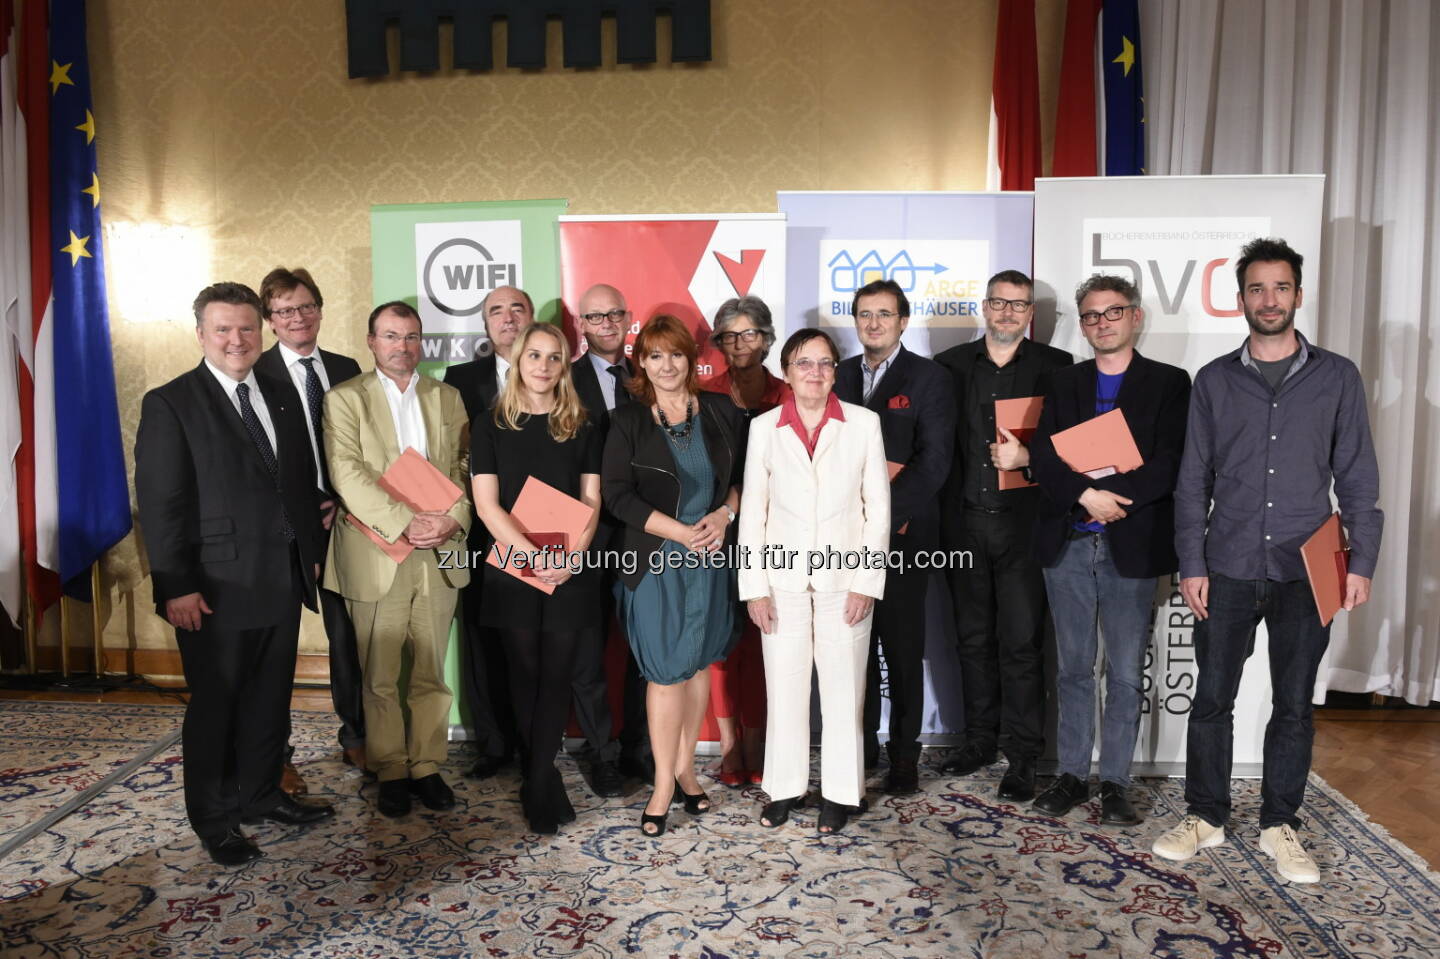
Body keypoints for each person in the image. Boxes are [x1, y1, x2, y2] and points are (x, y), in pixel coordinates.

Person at [1152, 237, 1383, 884]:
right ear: (1241, 300)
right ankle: (1205, 813)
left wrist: (1359, 561)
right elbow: (1193, 479)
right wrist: (1191, 563)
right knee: (1212, 698)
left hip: (1308, 569)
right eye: (1257, 288)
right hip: (1224, 564)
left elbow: (1359, 477)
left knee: (1294, 703)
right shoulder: (1215, 381)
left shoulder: (1337, 377)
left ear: (1298, 295)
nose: (1269, 298)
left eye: (1281, 287)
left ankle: (1282, 822)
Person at [134, 282, 334, 867]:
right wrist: (175, 585)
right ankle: (216, 820)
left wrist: (312, 546)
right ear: (201, 334)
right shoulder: (170, 403)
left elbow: (295, 481)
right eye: (222, 329)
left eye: (247, 327)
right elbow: (162, 504)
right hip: (213, 589)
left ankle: (262, 795)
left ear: (261, 331)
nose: (236, 339)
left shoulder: (278, 392)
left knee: (271, 701)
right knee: (217, 707)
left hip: (280, 578)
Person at [1027, 274, 1191, 825]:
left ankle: (1116, 783)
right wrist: (1084, 496)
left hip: (1132, 541)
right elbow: (1043, 457)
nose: (1102, 323)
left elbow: (1171, 461)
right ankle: (1073, 775)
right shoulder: (1063, 381)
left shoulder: (1170, 383)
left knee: (1123, 673)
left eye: (1112, 312)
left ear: (1135, 316)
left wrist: (1114, 502)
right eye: (1092, 315)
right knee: (1074, 669)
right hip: (1069, 542)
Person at [738, 328, 889, 834]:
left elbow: (877, 510)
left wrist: (868, 581)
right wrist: (753, 587)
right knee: (784, 689)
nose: (816, 373)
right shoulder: (764, 428)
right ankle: (784, 789)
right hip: (780, 583)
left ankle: (842, 794)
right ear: (786, 370)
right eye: (805, 363)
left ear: (835, 372)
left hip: (844, 582)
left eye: (825, 363)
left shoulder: (863, 424)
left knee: (846, 692)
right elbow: (753, 510)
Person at [324, 301, 471, 818]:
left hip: (439, 551)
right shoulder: (344, 399)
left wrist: (454, 519)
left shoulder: (448, 397)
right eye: (390, 336)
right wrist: (404, 521)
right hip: (375, 548)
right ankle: (389, 769)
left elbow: (465, 468)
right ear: (371, 341)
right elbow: (346, 473)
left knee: (430, 670)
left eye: (410, 337)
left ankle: (427, 766)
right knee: (380, 675)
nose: (402, 347)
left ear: (421, 342)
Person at [601, 315, 744, 836]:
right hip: (658, 562)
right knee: (665, 674)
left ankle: (686, 769)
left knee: (699, 664)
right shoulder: (628, 421)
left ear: (691, 359)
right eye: (655, 355)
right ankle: (663, 784)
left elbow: (745, 480)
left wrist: (725, 516)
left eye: (676, 355)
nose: (666, 365)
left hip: (710, 560)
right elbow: (617, 496)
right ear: (642, 362)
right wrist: (680, 533)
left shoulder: (724, 412)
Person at [934, 270, 1071, 802]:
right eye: (999, 302)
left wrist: (1031, 459)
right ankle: (979, 741)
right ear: (984, 308)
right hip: (964, 525)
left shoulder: (1058, 370)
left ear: (1030, 313)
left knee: (1021, 645)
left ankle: (1024, 757)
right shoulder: (948, 368)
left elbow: (1072, 451)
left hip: (1025, 528)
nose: (1008, 312)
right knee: (971, 642)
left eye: (1019, 305)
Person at [472, 323, 603, 834]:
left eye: (554, 357)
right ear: (517, 360)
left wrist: (569, 557)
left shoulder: (584, 425)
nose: (543, 366)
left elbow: (591, 499)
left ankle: (537, 777)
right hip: (512, 564)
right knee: (525, 675)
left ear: (564, 365)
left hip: (570, 564)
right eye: (534, 356)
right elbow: (487, 503)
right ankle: (540, 775)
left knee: (557, 675)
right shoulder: (489, 424)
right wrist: (531, 555)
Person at [835, 278, 955, 795]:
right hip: (841, 541)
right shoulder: (835, 375)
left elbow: (934, 464)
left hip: (904, 540)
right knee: (852, 649)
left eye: (884, 314)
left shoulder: (931, 379)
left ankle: (904, 756)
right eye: (865, 314)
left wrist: (879, 520)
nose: (874, 323)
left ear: (903, 321)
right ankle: (858, 750)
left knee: (902, 651)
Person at [254, 267, 366, 793]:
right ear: (270, 321)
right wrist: (304, 510)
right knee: (276, 650)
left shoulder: (347, 368)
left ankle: (358, 736)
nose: (296, 317)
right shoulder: (253, 374)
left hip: (344, 523)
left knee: (349, 640)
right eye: (283, 310)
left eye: (304, 306)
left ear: (319, 310)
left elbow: (362, 448)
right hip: (283, 532)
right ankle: (275, 755)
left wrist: (343, 503)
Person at [443, 285, 534, 780]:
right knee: (483, 640)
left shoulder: (554, 373)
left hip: (548, 532)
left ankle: (533, 742)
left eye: (516, 308)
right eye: (495, 311)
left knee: (534, 642)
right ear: (485, 325)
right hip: (479, 534)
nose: (507, 318)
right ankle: (494, 745)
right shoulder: (460, 380)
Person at [567, 282, 653, 795]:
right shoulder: (563, 378)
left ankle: (639, 748)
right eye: (595, 317)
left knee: (645, 648)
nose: (606, 324)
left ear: (628, 319)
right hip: (586, 535)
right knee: (587, 651)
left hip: (643, 533)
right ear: (582, 324)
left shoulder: (649, 376)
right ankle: (601, 755)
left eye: (614, 314)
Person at [700, 295, 788, 786]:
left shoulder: (788, 395)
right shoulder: (705, 394)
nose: (739, 344)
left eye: (749, 333)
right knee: (721, 643)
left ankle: (761, 743)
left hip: (776, 535)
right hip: (719, 532)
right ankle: (731, 744)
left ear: (767, 339)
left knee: (764, 641)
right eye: (729, 336)